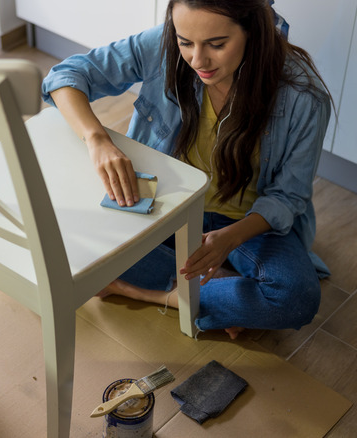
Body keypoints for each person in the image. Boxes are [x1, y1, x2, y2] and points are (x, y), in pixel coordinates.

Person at [41, 0, 332, 339]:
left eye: (217, 44)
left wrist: (230, 239)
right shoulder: (162, 45)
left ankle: (149, 292)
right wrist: (97, 140)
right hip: (170, 204)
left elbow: (288, 196)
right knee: (63, 234)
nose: (197, 60)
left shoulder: (303, 96)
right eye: (185, 42)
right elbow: (65, 76)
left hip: (246, 224)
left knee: (296, 298)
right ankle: (216, 290)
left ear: (254, 31)